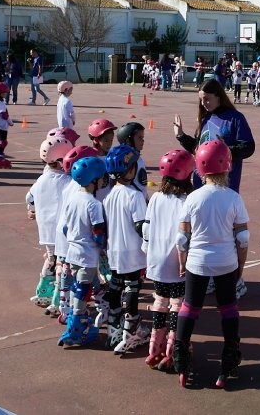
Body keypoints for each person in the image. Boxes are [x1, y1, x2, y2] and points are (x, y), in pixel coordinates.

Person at [172, 140, 250, 389]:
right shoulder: (233, 198)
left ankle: (181, 356)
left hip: (197, 262)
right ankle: (228, 360)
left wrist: (183, 263)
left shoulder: (193, 198)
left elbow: (182, 239)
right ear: (227, 166)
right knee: (228, 309)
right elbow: (243, 238)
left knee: (190, 308)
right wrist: (240, 265)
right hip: (226, 262)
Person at [143, 149, 194, 370]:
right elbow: (186, 236)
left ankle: (155, 344)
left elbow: (146, 227)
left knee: (160, 301)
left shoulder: (155, 198)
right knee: (177, 304)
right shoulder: (187, 201)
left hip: (156, 259)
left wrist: (147, 251)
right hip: (177, 260)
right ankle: (172, 346)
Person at [100, 144, 150, 354]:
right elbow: (141, 226)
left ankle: (114, 326)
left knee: (115, 286)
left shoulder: (110, 195)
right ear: (130, 171)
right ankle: (131, 330)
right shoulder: (135, 195)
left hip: (114, 251)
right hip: (132, 252)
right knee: (132, 288)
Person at [56, 156, 108, 347]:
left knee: (81, 286)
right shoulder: (93, 204)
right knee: (83, 290)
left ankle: (81, 319)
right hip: (88, 255)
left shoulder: (72, 198)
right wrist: (105, 248)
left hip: (72, 252)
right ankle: (76, 330)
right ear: (94, 180)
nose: (103, 180)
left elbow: (65, 228)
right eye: (101, 177)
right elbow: (98, 233)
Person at [174, 78, 256, 192]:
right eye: (201, 100)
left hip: (225, 186)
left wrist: (224, 150)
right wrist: (181, 136)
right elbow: (198, 149)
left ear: (218, 96)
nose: (203, 103)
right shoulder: (205, 118)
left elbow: (248, 147)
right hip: (201, 184)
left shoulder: (235, 118)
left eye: (207, 99)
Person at [27, 136, 74, 308]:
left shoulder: (41, 180)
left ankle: (43, 291)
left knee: (51, 260)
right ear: (62, 161)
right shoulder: (67, 181)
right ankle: (58, 299)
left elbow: (29, 198)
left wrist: (33, 209)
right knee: (63, 264)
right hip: (61, 232)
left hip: (45, 231)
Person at [0, 82, 14, 168]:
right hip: (1, 124)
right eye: (5, 92)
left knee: (1, 141)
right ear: (0, 93)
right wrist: (10, 121)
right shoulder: (0, 103)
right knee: (3, 142)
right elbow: (3, 115)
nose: (7, 93)